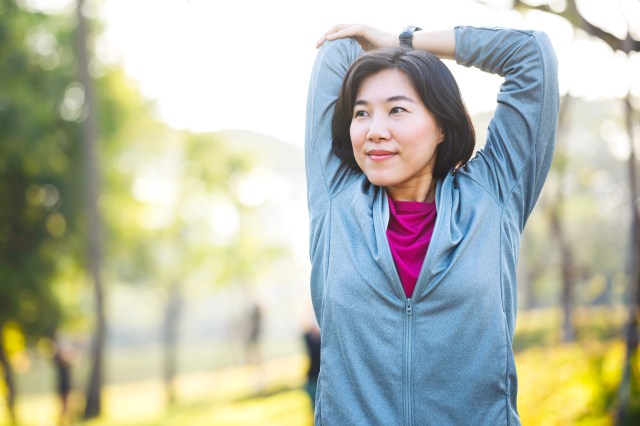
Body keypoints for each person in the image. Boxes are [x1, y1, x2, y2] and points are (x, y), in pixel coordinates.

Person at [305, 22, 558, 425]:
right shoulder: (336, 199)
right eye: (361, 113)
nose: (375, 131)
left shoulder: (493, 195)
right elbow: (340, 47)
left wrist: (402, 43)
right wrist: (377, 53)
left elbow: (531, 55)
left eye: (397, 109)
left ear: (441, 125)